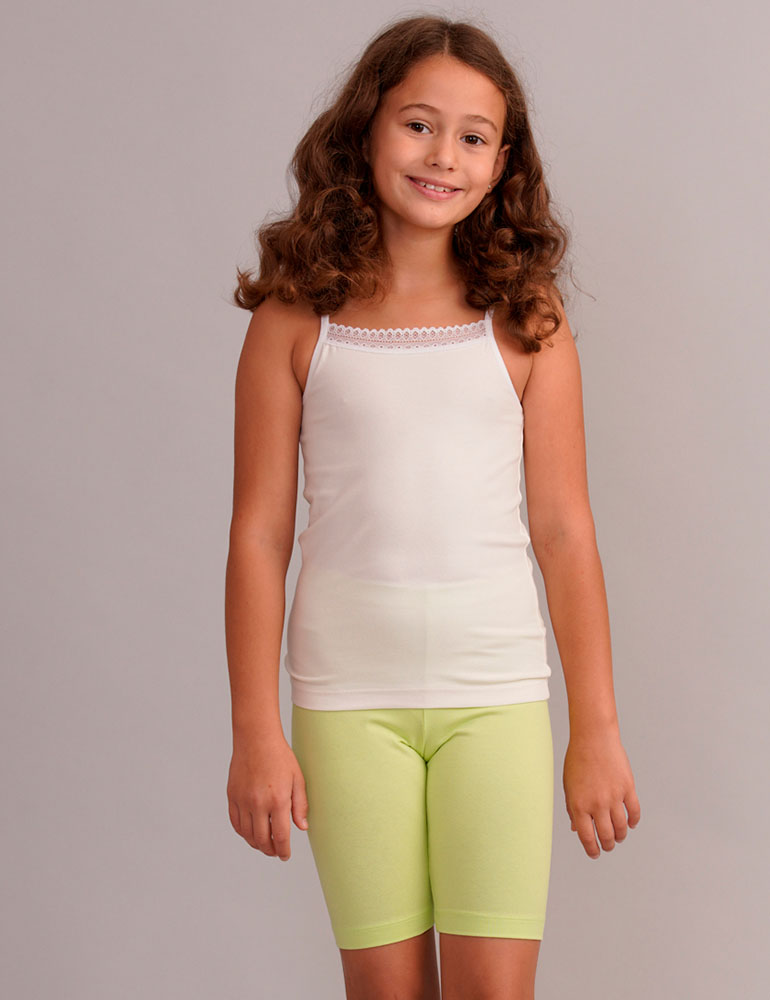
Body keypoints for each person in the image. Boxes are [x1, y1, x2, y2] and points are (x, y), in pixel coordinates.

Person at [224, 13, 641, 1000]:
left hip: (495, 693)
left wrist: (596, 727)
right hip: (344, 700)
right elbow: (257, 533)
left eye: (472, 137)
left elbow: (564, 532)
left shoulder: (527, 321)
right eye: (418, 124)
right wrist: (254, 730)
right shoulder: (295, 318)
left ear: (501, 165)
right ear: (366, 129)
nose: (441, 155)